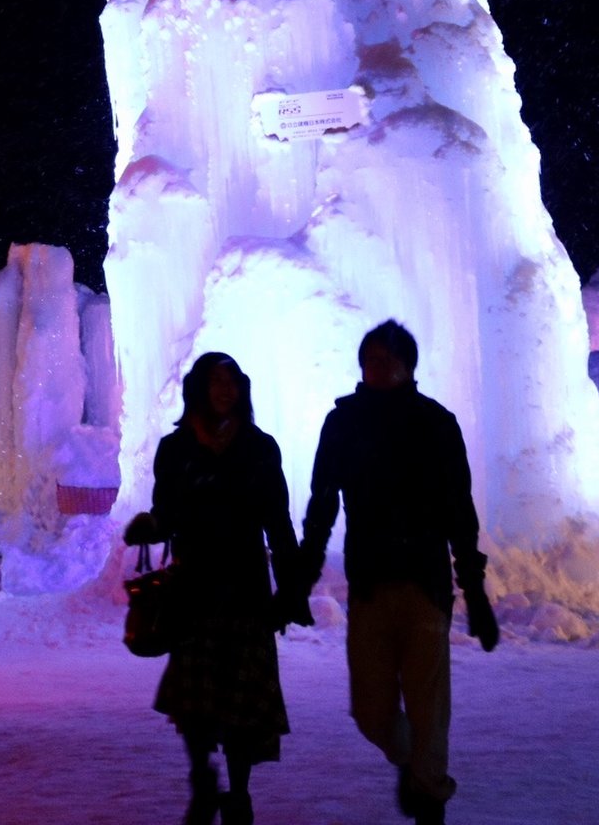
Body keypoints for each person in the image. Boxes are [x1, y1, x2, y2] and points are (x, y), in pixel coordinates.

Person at [297, 320, 499, 825]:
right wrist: (304, 573)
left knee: (429, 706)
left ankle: (430, 798)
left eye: (389, 359)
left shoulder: (436, 423)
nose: (379, 367)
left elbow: (459, 511)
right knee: (370, 711)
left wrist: (472, 589)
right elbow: (322, 503)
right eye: (371, 359)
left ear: (409, 366)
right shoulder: (342, 423)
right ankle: (412, 761)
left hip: (424, 583)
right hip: (369, 583)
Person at [132, 351, 305, 825]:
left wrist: (291, 586)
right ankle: (203, 775)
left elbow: (277, 520)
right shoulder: (177, 448)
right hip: (194, 586)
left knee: (241, 703)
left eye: (232, 381)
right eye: (215, 381)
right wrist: (150, 526)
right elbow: (165, 510)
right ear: (199, 388)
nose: (224, 389)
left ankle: (240, 790)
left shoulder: (259, 447)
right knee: (194, 699)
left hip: (245, 586)